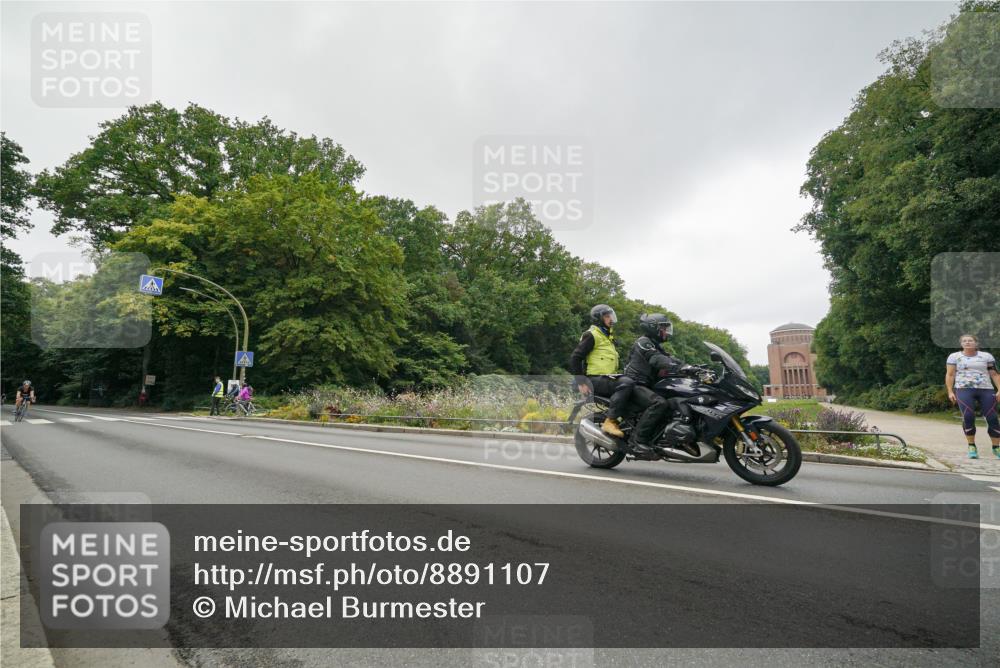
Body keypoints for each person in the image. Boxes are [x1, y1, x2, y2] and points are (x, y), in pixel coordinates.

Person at [623, 314, 699, 456]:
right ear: (654, 328)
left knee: (675, 399)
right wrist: (682, 368)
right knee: (659, 403)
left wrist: (691, 367)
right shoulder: (643, 342)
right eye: (663, 328)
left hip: (648, 385)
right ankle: (637, 441)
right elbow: (657, 360)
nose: (666, 331)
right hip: (635, 384)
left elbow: (669, 359)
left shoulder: (655, 345)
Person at [569, 304, 633, 437]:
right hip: (594, 379)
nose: (611, 319)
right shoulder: (592, 335)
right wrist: (581, 383)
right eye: (607, 316)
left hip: (607, 378)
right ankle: (610, 421)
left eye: (611, 316)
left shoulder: (607, 338)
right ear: (598, 319)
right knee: (626, 383)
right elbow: (575, 358)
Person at [946, 334, 1000, 459]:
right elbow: (950, 375)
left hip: (986, 389)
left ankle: (996, 447)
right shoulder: (954, 357)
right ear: (961, 344)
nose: (967, 342)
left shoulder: (986, 356)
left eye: (970, 340)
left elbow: (995, 374)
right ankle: (971, 446)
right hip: (964, 389)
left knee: (992, 417)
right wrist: (950, 391)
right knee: (968, 416)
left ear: (976, 343)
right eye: (964, 341)